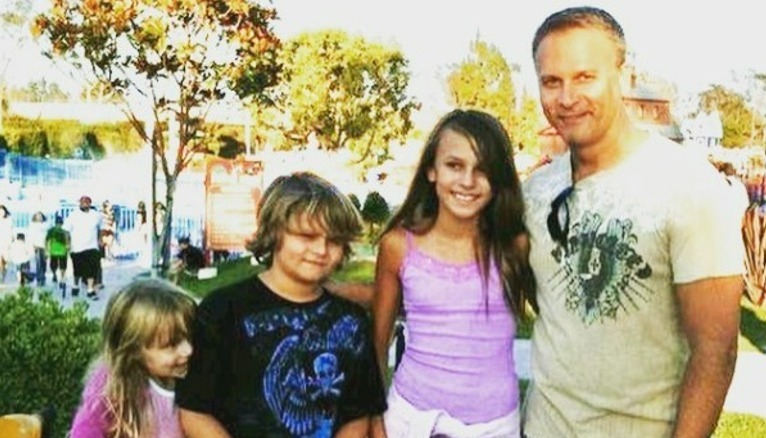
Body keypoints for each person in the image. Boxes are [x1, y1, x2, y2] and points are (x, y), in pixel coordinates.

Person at [521, 7, 745, 437]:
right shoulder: (536, 192)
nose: (566, 97)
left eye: (585, 77)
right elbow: (543, 301)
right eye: (552, 81)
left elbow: (716, 351)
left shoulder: (691, 188)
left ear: (624, 78)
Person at [177, 172, 387, 438]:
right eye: (307, 236)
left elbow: (358, 416)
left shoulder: (352, 321)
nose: (321, 249)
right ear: (275, 231)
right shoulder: (222, 310)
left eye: (334, 240)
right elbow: (194, 411)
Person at [371, 109, 535, 437]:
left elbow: (558, 319)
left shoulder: (514, 246)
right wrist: (376, 421)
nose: (467, 181)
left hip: (493, 426)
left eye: (483, 170)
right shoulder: (398, 246)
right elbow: (377, 340)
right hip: (410, 419)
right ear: (432, 170)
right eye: (454, 165)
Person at [69, 278, 197, 438]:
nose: (188, 350)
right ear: (133, 350)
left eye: (190, 337)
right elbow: (86, 429)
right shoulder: (112, 387)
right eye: (171, 344)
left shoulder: (197, 373)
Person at [64, 196, 103, 300]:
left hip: (92, 246)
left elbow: (100, 228)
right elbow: (66, 230)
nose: (85, 204)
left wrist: (100, 240)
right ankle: (75, 285)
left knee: (92, 269)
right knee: (78, 270)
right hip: (77, 247)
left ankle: (90, 289)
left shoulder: (96, 215)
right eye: (83, 202)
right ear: (80, 203)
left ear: (90, 203)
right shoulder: (73, 215)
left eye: (87, 202)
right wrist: (67, 243)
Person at [46, 215, 69, 298]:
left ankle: (55, 275)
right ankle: (61, 278)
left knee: (54, 265)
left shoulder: (51, 230)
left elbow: (47, 240)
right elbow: (67, 241)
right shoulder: (64, 231)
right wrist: (68, 247)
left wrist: (47, 249)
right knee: (62, 267)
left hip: (54, 251)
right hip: (62, 251)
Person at [28, 211, 48, 287]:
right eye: (37, 216)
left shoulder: (46, 225)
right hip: (36, 245)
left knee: (44, 262)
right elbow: (30, 235)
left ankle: (43, 275)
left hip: (44, 245)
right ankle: (40, 278)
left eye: (40, 216)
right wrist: (32, 244)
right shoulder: (32, 225)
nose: (39, 217)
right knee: (38, 262)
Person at [0, 205, 13, 283]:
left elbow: (11, 231)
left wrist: (11, 240)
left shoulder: (8, 220)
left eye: (2, 211)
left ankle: (3, 274)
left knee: (5, 261)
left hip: (6, 242)